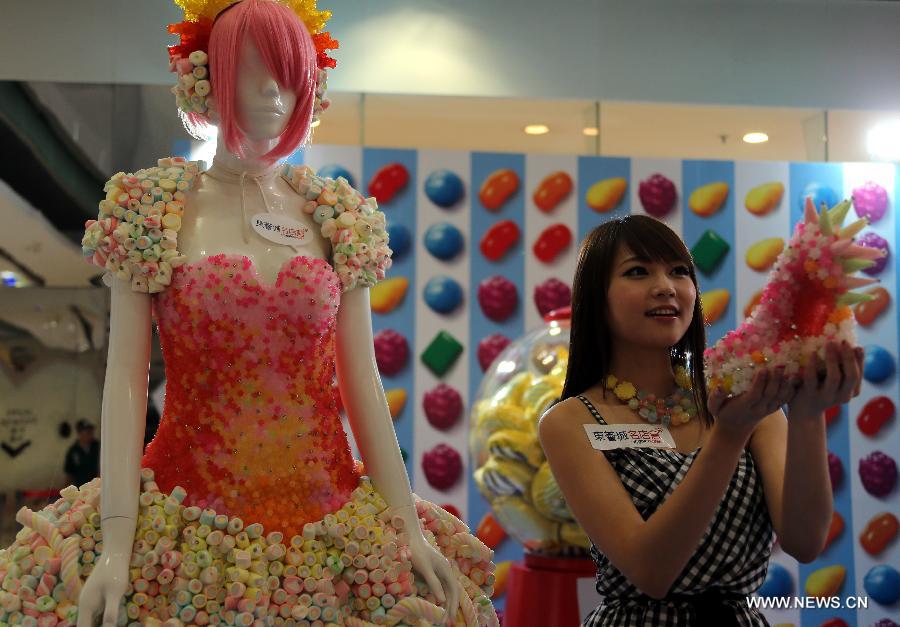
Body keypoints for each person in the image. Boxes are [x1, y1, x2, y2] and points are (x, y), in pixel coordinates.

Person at [0, 2, 498, 626]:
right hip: (186, 519)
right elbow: (126, 378)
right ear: (205, 77)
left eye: (288, 72)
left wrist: (406, 525)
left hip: (331, 520)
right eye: (251, 68)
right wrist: (118, 541)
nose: (271, 89)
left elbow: (361, 380)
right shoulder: (153, 209)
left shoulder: (335, 217)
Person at [538, 215, 864, 626]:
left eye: (679, 271)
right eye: (638, 271)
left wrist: (808, 414)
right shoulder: (570, 421)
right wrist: (727, 438)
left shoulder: (743, 398)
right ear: (596, 297)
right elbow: (651, 571)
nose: (665, 286)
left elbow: (805, 541)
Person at [64, 419, 100, 487]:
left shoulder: (98, 447)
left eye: (91, 431)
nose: (90, 433)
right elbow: (69, 473)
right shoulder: (73, 451)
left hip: (96, 488)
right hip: (80, 488)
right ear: (79, 433)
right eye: (87, 431)